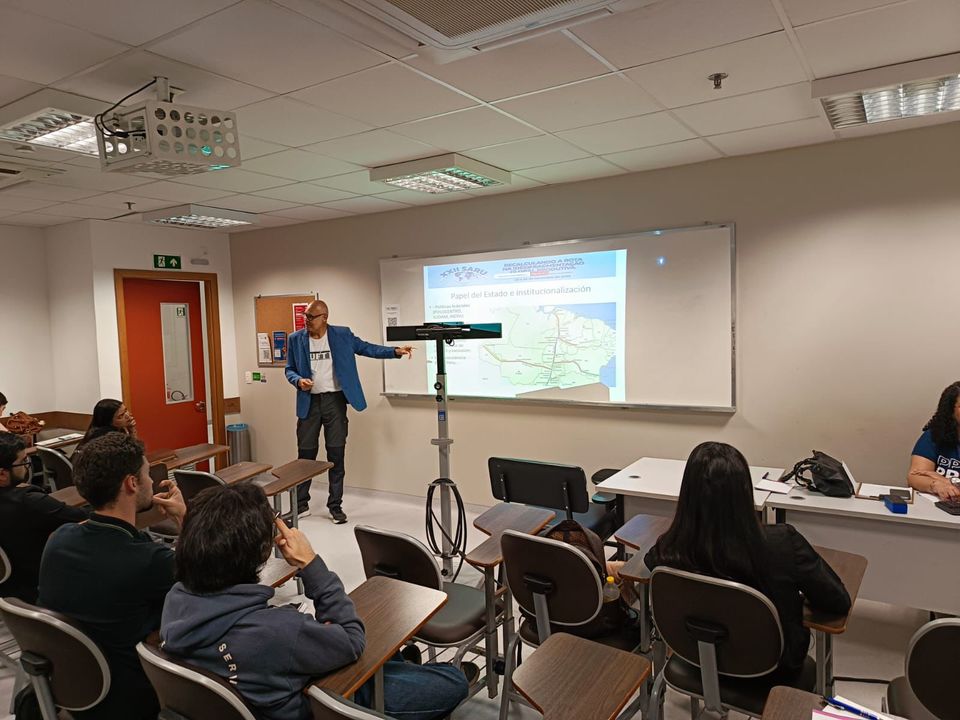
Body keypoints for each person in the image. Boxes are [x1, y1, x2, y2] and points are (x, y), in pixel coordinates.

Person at [161, 483, 468, 720]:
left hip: (263, 685)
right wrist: (310, 563)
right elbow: (352, 641)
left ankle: (399, 664)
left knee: (388, 654)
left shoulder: (177, 599)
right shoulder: (278, 630)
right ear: (262, 553)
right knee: (451, 680)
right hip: (318, 702)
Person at [644, 441, 851, 676]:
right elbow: (837, 601)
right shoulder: (783, 543)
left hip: (695, 658)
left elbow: (648, 563)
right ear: (745, 491)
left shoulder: (671, 547)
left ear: (687, 493)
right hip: (774, 670)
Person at [38, 433, 186, 720]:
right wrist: (184, 519)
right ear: (132, 483)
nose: (152, 481)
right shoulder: (151, 561)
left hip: (76, 690)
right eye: (146, 474)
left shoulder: (59, 540)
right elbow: (209, 577)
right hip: (135, 697)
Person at [285, 300, 413, 523]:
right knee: (305, 456)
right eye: (305, 317)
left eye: (311, 317)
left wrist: (395, 351)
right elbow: (290, 369)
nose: (306, 321)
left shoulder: (342, 335)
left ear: (324, 317)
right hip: (309, 403)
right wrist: (298, 381)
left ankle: (335, 506)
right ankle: (301, 505)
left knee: (336, 456)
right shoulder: (296, 339)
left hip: (335, 402)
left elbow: (366, 348)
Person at [0, 432, 88, 602]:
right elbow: (82, 518)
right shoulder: (29, 502)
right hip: (38, 587)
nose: (28, 467)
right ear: (3, 473)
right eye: (24, 461)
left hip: (9, 588)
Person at [908, 381, 960, 500]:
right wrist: (935, 485)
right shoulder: (934, 435)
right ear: (951, 410)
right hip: (938, 506)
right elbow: (914, 477)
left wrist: (945, 480)